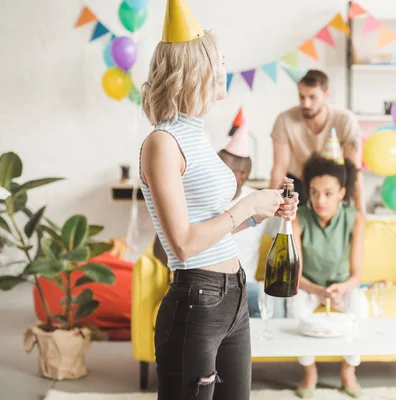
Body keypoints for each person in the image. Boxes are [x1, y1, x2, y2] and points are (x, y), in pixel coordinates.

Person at [138, 1, 298, 399]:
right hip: (196, 300)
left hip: (233, 295)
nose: (225, 65)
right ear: (193, 69)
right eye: (217, 59)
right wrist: (245, 206)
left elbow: (216, 225)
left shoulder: (200, 137)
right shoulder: (162, 142)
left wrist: (262, 212)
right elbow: (184, 243)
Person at [286, 131, 369, 399]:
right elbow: (294, 274)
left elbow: (357, 275)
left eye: (328, 193)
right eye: (314, 192)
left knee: (361, 309)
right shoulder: (299, 218)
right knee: (294, 308)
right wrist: (317, 291)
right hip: (308, 285)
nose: (320, 200)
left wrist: (339, 288)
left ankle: (348, 372)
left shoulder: (354, 218)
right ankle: (310, 373)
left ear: (342, 193)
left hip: (343, 286)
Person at [217, 112, 285, 318]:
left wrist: (287, 209)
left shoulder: (258, 202)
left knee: (274, 300)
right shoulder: (206, 198)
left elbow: (283, 236)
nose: (215, 172)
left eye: (223, 169)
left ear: (243, 175)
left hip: (243, 286)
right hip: (210, 284)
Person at [269, 69, 365, 213]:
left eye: (312, 97)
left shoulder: (345, 120)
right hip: (299, 183)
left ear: (326, 94)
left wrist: (360, 210)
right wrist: (270, 205)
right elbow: (279, 167)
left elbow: (353, 169)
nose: (306, 103)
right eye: (302, 97)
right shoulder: (284, 120)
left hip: (333, 184)